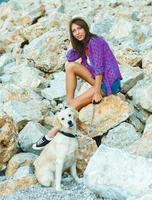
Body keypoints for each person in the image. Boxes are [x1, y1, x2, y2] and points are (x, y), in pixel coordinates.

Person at [32, 17, 122, 150]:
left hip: (109, 82)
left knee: (75, 104)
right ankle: (70, 104)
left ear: (85, 28)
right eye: (74, 31)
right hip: (101, 79)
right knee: (70, 67)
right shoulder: (83, 44)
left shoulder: (95, 42)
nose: (78, 32)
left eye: (79, 28)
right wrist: (73, 43)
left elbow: (99, 69)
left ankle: (51, 135)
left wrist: (97, 92)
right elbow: (70, 57)